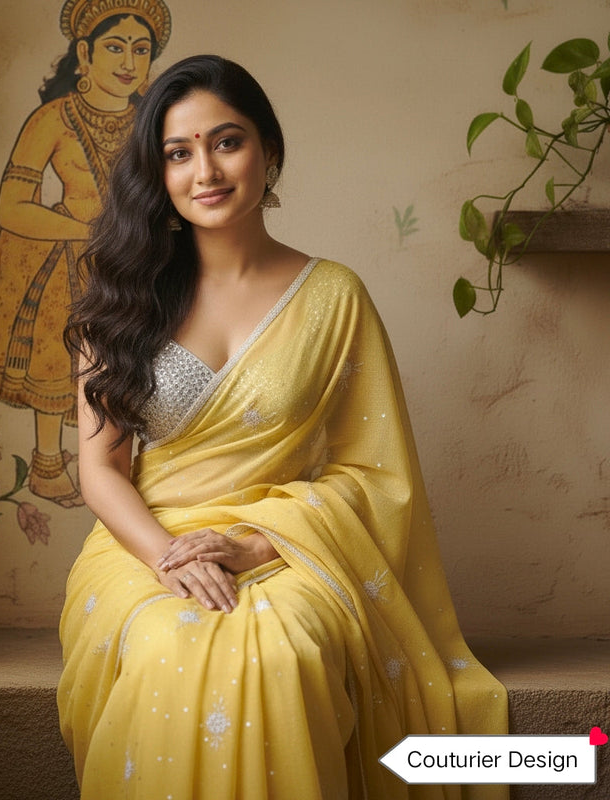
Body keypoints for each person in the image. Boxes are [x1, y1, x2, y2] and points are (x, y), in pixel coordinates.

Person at [58, 54, 508, 799]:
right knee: (166, 643)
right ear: (158, 173)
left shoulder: (334, 297)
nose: (205, 169)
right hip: (147, 545)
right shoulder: (121, 301)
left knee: (283, 650)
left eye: (226, 142)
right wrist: (172, 556)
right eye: (178, 152)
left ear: (269, 152)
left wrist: (252, 543)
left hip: (286, 545)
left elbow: (375, 475)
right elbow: (101, 470)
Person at [0, 0, 171, 508]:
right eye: (115, 47)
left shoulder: (154, 124)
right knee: (61, 347)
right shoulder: (54, 118)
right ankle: (49, 461)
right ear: (85, 55)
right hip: (69, 257)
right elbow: (11, 207)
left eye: (141, 50)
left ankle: (147, 470)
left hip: (139, 260)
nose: (128, 61)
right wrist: (87, 231)